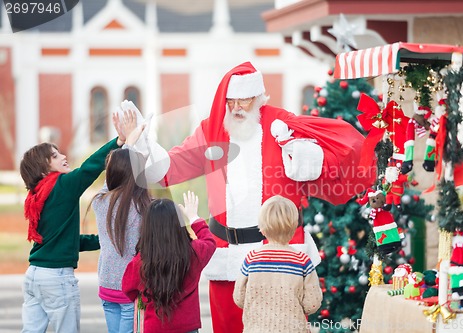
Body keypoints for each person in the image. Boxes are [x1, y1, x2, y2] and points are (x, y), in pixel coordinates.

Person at [132, 61, 374, 332]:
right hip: (226, 252)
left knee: (282, 325)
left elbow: (324, 160)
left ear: (258, 98)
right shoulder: (211, 130)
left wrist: (300, 153)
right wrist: (142, 145)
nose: (236, 108)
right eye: (231, 100)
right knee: (227, 326)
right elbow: (172, 168)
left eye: (244, 101)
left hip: (277, 254)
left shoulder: (281, 124)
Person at [19, 111, 135, 333]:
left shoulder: (37, 195)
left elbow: (63, 241)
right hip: (56, 279)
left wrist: (106, 240)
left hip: (34, 276)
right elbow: (89, 168)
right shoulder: (62, 186)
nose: (63, 156)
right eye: (55, 156)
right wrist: (119, 142)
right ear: (44, 169)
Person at [121, 191, 216, 333]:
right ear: (179, 225)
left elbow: (128, 289)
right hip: (188, 327)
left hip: (155, 327)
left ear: (148, 228)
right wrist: (194, 218)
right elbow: (210, 242)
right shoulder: (194, 253)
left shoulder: (141, 262)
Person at [90, 110, 149, 333]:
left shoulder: (99, 201)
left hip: (106, 285)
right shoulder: (141, 206)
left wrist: (127, 143)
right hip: (130, 288)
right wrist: (132, 143)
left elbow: (112, 176)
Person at [233, 195, 322, 332]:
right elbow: (312, 303)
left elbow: (239, 298)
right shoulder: (302, 261)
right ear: (293, 229)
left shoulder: (252, 259)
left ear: (261, 229)